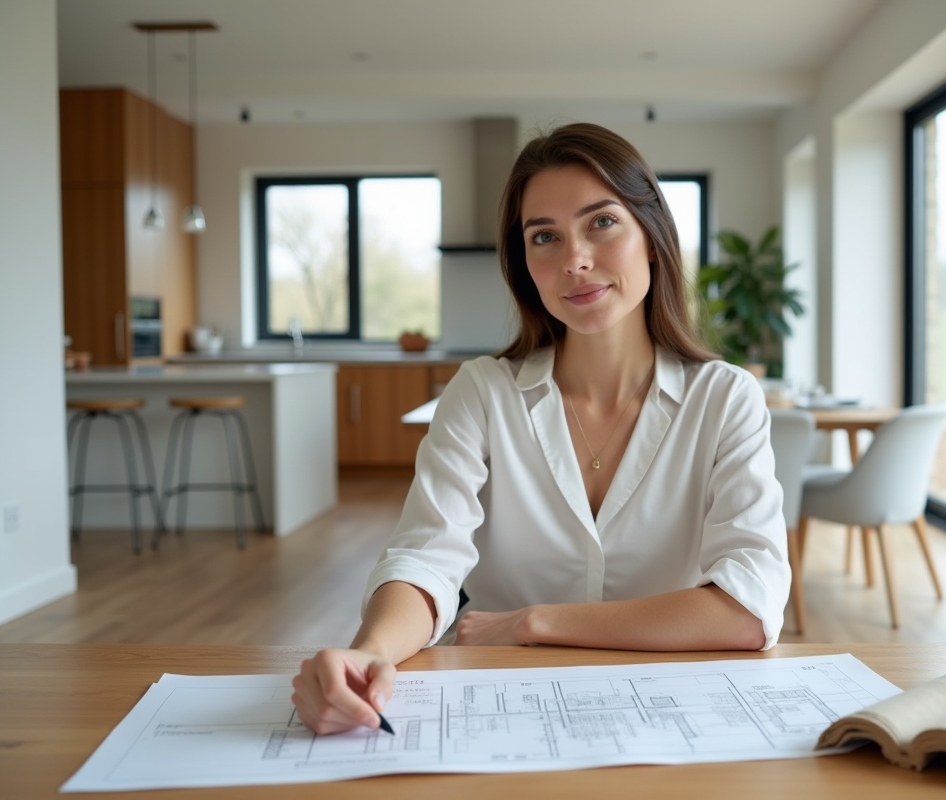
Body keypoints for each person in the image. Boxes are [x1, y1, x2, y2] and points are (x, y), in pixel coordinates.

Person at [291, 122, 790, 735]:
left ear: (653, 239)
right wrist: (371, 650)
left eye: (601, 222)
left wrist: (534, 622)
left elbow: (748, 609)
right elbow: (426, 558)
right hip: (504, 711)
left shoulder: (725, 398)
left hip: (670, 712)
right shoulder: (480, 392)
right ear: (525, 264)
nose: (574, 260)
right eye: (544, 236)